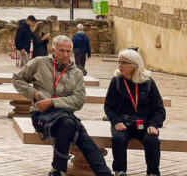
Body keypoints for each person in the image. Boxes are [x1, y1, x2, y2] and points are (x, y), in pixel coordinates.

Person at [12, 36, 112, 176]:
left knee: (69, 124)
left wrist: (53, 102)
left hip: (65, 116)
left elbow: (79, 100)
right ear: (53, 50)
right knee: (76, 127)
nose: (65, 55)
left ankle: (58, 170)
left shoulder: (76, 73)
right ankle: (102, 172)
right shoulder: (39, 63)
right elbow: (17, 79)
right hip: (42, 115)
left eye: (68, 51)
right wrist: (34, 94)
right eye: (61, 51)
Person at [104, 49, 166, 176]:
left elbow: (159, 109)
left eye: (124, 63)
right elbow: (108, 107)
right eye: (119, 62)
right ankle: (120, 171)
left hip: (144, 123)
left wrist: (154, 125)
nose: (120, 65)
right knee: (119, 139)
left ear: (134, 65)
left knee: (152, 141)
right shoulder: (116, 81)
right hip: (123, 121)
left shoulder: (148, 82)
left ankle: (153, 172)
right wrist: (116, 122)